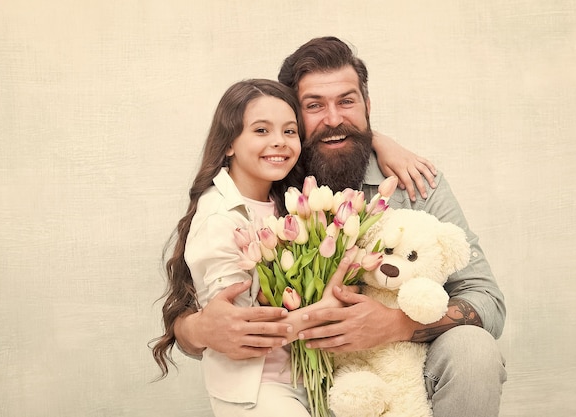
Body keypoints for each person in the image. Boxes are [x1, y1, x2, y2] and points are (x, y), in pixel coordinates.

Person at [173, 36, 507, 417]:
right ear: (295, 117)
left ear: (367, 105)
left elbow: (488, 301)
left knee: (474, 348)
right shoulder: (275, 179)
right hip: (301, 379)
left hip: (402, 372)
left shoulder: (413, 181)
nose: (333, 119)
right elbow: (188, 308)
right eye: (314, 106)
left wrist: (394, 325)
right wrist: (201, 329)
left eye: (347, 102)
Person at [151, 78, 423, 416]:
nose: (278, 142)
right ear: (228, 143)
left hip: (311, 380)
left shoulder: (286, 197)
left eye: (290, 131)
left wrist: (382, 143)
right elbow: (242, 332)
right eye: (261, 131)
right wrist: (323, 308)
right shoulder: (220, 217)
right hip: (258, 389)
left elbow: (337, 132)